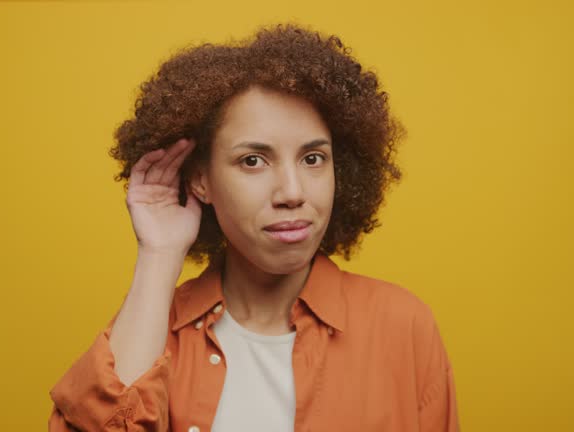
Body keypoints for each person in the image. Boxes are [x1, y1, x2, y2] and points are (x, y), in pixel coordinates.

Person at [48, 23, 460, 432]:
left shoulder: (403, 326)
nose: (292, 192)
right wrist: (159, 253)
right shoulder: (151, 334)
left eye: (313, 158)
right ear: (200, 180)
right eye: (253, 161)